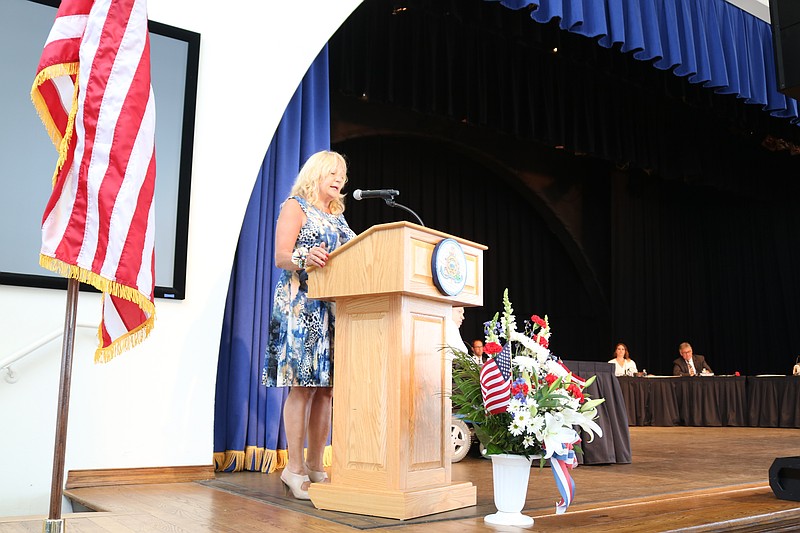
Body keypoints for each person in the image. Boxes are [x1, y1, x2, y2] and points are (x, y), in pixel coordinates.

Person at [261, 150, 356, 500]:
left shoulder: (339, 219)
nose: (339, 180)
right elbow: (280, 256)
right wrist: (304, 256)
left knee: (326, 389)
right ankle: (294, 468)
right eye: (333, 173)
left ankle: (317, 465)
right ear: (316, 173)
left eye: (342, 176)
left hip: (332, 311)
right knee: (302, 386)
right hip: (301, 308)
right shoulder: (295, 206)